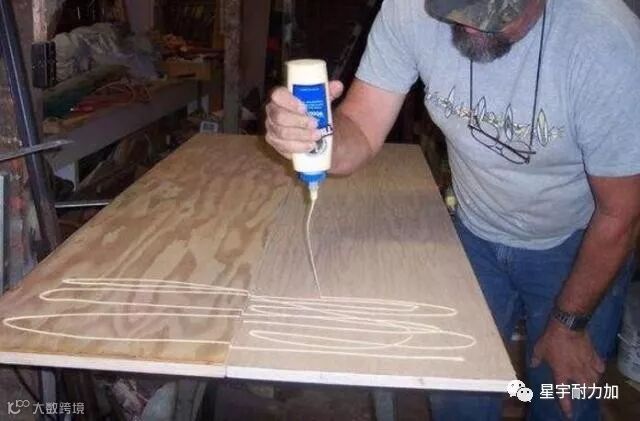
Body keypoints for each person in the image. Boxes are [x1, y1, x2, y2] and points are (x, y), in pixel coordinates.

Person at [264, 0, 640, 419]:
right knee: (457, 395)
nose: (473, 27)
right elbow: (363, 129)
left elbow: (620, 213)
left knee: (563, 400)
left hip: (579, 244)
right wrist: (316, 140)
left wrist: (570, 324)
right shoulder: (408, 10)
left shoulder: (605, 42)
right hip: (474, 233)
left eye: (498, 15)